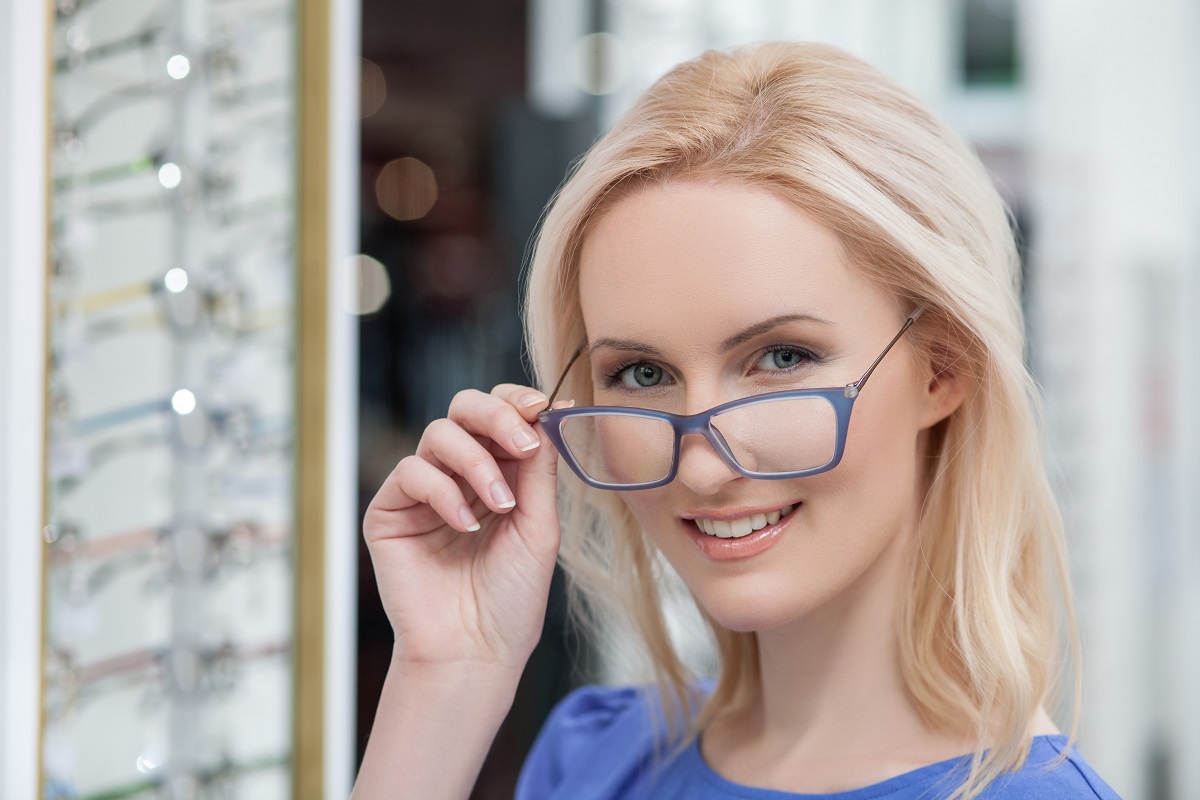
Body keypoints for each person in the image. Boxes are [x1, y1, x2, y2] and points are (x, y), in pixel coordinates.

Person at [352, 41, 1120, 799]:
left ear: (944, 366)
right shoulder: (594, 757)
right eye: (643, 374)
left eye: (781, 359)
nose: (703, 467)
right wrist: (444, 676)